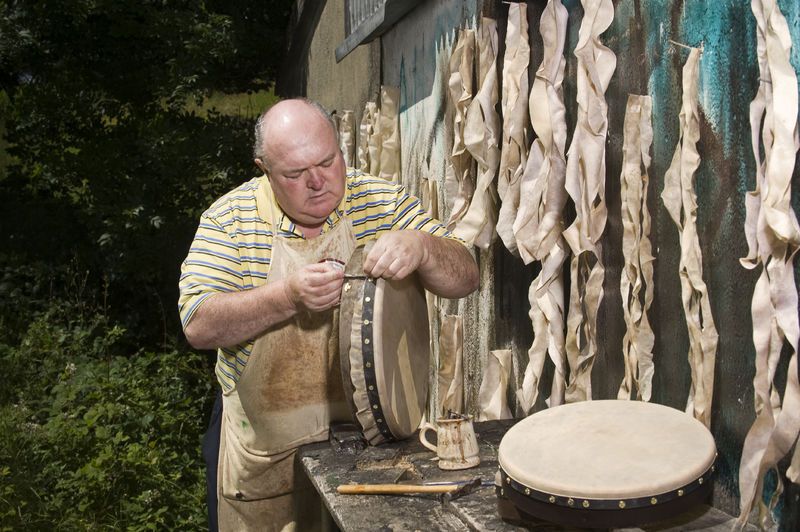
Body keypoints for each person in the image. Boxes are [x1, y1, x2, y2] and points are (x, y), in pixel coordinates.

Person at [178, 98, 479, 531]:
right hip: (270, 458)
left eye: (327, 161)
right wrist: (286, 297)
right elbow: (198, 324)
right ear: (263, 168)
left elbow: (466, 277)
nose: (318, 182)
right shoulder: (230, 222)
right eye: (295, 174)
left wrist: (423, 246)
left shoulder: (381, 201)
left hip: (377, 451)